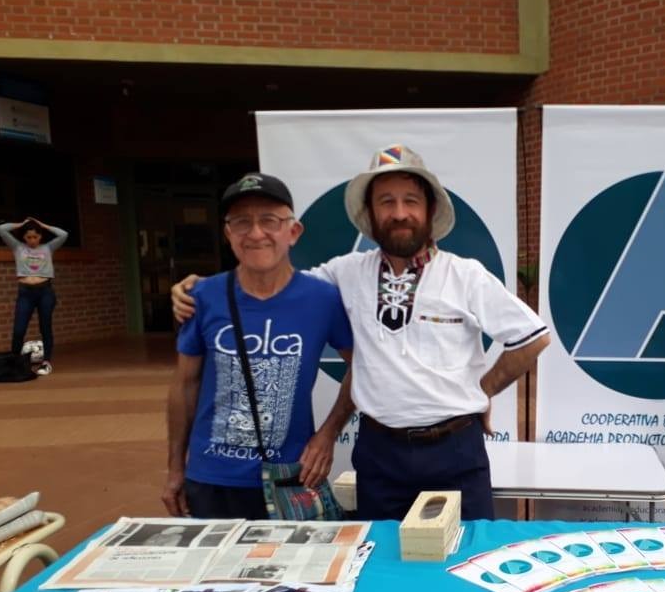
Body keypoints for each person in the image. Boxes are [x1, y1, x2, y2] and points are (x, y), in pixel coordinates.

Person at [172, 146, 550, 521]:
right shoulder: (344, 273)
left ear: (429, 211)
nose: (399, 213)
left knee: (461, 555)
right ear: (370, 214)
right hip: (380, 453)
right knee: (380, 562)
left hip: (454, 451)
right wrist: (200, 288)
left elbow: (533, 338)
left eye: (410, 201)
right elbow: (273, 281)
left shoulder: (465, 275)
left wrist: (481, 391)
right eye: (386, 202)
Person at [162, 173, 353, 519]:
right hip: (210, 477)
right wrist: (175, 468)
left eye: (269, 220)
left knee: (293, 571)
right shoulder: (201, 297)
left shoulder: (322, 299)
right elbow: (184, 384)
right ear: (228, 234)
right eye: (241, 222)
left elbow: (361, 366)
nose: (255, 233)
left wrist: (328, 434)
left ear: (293, 232)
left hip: (288, 476)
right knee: (214, 573)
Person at [0, 216, 68, 376]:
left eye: (35, 236)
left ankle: (46, 362)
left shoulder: (48, 248)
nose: (32, 240)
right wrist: (21, 224)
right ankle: (14, 362)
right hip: (25, 293)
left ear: (40, 236)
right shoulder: (17, 247)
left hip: (45, 292)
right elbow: (2, 229)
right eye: (29, 237)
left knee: (45, 327)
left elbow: (63, 234)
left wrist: (43, 225)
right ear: (24, 237)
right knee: (19, 330)